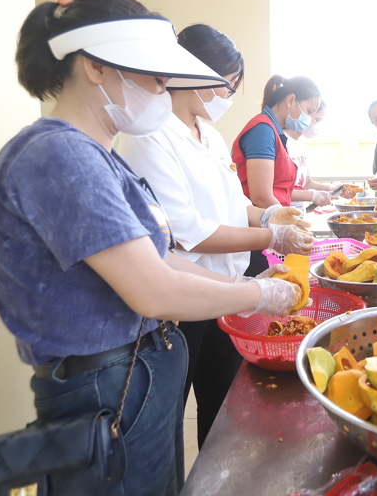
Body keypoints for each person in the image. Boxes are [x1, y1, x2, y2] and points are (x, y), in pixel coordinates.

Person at [0, 0, 302, 496]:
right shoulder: (60, 156)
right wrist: (257, 296)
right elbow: (153, 288)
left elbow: (163, 257)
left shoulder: (101, 157)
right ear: (94, 67)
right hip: (107, 387)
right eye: (153, 77)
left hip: (134, 376)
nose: (163, 90)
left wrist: (256, 282)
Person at [116, 24, 313, 448]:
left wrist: (269, 216)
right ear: (192, 73)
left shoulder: (210, 134)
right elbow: (185, 231)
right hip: (185, 300)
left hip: (230, 291)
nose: (229, 97)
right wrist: (269, 239)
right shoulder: (153, 134)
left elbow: (234, 203)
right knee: (167, 415)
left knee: (222, 404)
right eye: (227, 86)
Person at [233, 75, 324, 274]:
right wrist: (290, 227)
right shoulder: (263, 130)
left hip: (266, 226)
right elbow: (261, 195)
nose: (308, 120)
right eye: (308, 111)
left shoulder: (274, 130)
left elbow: (279, 188)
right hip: (254, 231)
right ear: (291, 100)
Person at [285, 100, 347, 198]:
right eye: (317, 120)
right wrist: (313, 196)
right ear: (307, 114)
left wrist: (334, 188)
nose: (316, 124)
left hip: (299, 211)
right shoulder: (282, 141)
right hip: (283, 210)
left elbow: (307, 183)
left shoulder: (301, 147)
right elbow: (278, 190)